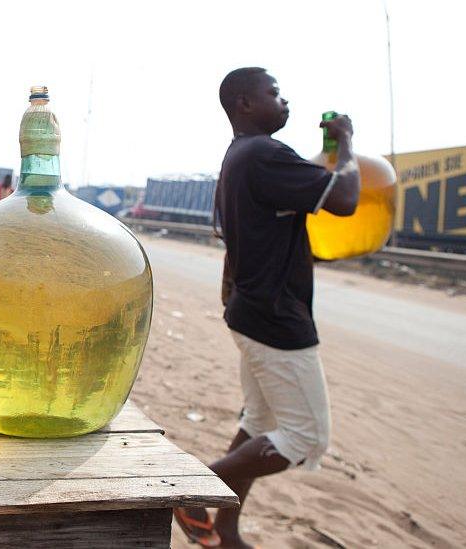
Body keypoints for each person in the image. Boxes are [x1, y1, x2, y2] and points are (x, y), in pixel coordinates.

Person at [173, 67, 360, 549]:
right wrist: (347, 143)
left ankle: (227, 527)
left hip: (251, 310)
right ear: (244, 104)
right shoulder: (265, 154)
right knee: (304, 438)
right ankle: (194, 492)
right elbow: (344, 199)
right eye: (274, 93)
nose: (285, 101)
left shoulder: (238, 157)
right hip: (275, 319)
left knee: (261, 425)